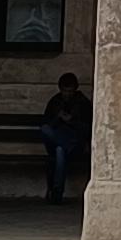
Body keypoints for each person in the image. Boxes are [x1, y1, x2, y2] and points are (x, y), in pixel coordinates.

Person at [40, 72, 93, 202]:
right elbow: (47, 124)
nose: (67, 94)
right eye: (65, 91)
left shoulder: (82, 103)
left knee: (60, 151)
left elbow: (88, 127)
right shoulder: (55, 101)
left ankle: (57, 192)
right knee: (48, 134)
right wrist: (58, 118)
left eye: (70, 91)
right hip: (59, 138)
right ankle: (57, 192)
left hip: (76, 142)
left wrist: (71, 121)